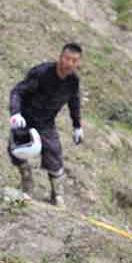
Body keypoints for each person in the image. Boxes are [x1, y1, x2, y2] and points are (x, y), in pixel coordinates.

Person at [8, 42, 84, 206]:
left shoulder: (73, 82)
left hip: (47, 123)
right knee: (16, 151)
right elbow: (18, 92)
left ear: (78, 63)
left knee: (54, 156)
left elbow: (74, 102)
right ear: (60, 57)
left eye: (74, 61)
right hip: (25, 119)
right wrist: (15, 113)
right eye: (66, 58)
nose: (69, 63)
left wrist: (77, 126)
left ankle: (57, 195)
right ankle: (26, 182)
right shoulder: (41, 73)